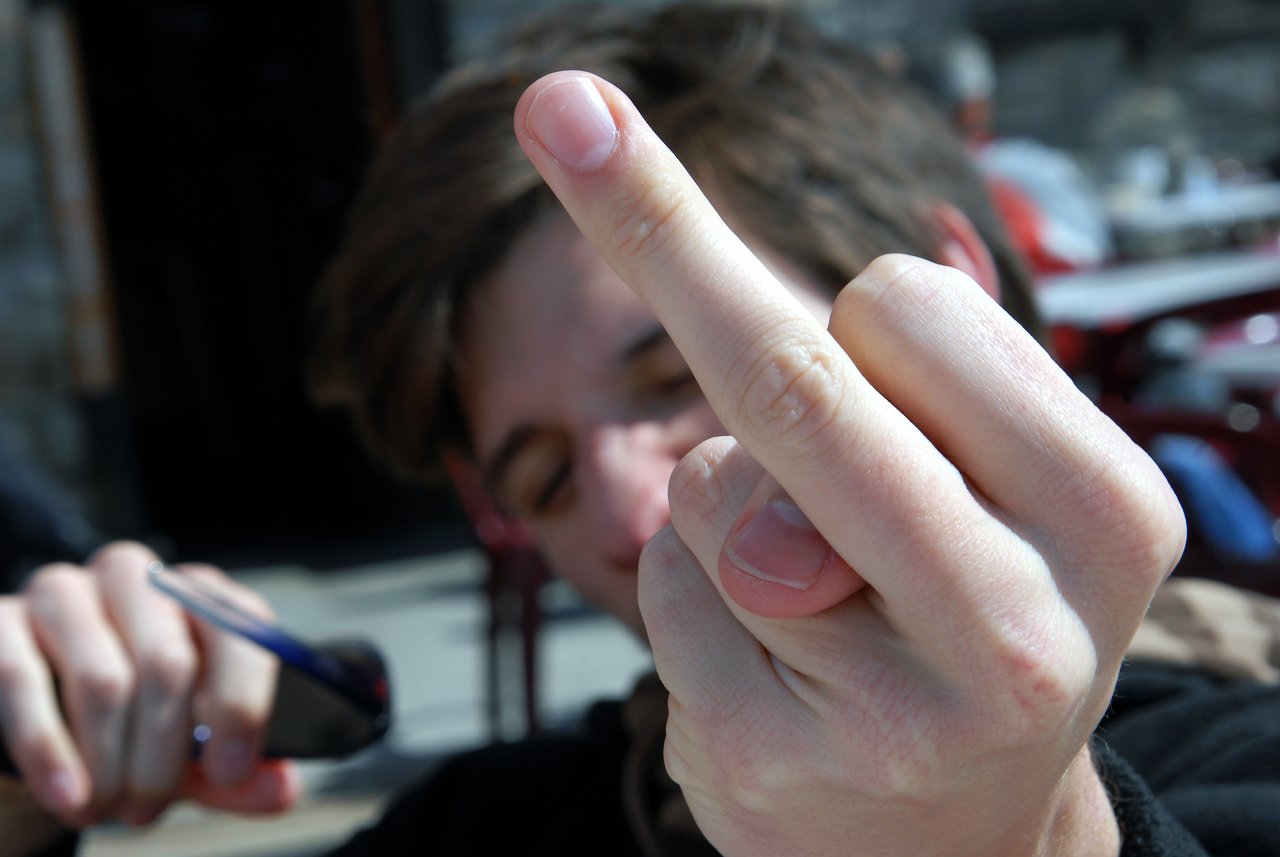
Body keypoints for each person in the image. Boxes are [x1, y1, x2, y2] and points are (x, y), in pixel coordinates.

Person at [2, 5, 1277, 855]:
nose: (627, 506)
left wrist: (1030, 828)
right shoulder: (502, 828)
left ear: (945, 300)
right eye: (542, 473)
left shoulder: (1237, 744)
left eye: (675, 370)